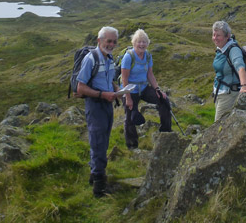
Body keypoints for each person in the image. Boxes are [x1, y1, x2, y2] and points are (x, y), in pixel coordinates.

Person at [74, 26, 119, 198]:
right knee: (98, 143)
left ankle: (94, 176)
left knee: (103, 141)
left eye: (114, 41)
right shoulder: (90, 58)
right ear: (99, 41)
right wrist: (102, 94)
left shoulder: (109, 58)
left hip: (107, 103)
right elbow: (81, 87)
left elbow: (110, 80)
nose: (111, 44)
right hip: (95, 105)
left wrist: (119, 90)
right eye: (108, 41)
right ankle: (99, 188)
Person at [120, 29, 172, 149]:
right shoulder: (129, 57)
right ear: (134, 43)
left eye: (144, 42)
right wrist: (128, 98)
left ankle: (165, 132)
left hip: (143, 88)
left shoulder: (148, 56)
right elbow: (124, 78)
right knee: (130, 117)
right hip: (130, 90)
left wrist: (158, 90)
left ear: (147, 43)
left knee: (164, 101)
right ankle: (132, 146)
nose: (141, 44)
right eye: (139, 42)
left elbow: (150, 75)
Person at [212, 21, 246, 121]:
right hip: (220, 93)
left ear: (227, 36)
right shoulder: (221, 48)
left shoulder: (233, 49)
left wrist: (244, 86)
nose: (215, 38)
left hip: (229, 94)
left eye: (218, 35)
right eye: (213, 35)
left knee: (218, 127)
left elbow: (240, 67)